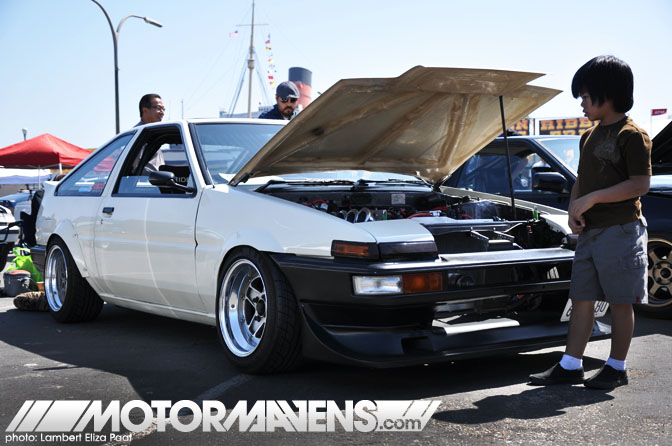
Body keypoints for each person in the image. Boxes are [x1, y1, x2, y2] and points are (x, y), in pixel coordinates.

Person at [529, 55, 652, 389]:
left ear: (607, 94)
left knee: (620, 301)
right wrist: (574, 209)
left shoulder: (633, 135)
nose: (581, 103)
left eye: (585, 96)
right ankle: (571, 364)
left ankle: (617, 367)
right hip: (591, 232)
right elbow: (581, 181)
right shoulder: (588, 136)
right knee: (581, 298)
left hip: (621, 231)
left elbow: (640, 184)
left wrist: (593, 199)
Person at [134, 94, 165, 171]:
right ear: (145, 110)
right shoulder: (140, 134)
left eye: (163, 109)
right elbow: (135, 166)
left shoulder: (152, 132)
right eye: (158, 108)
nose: (162, 112)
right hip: (147, 178)